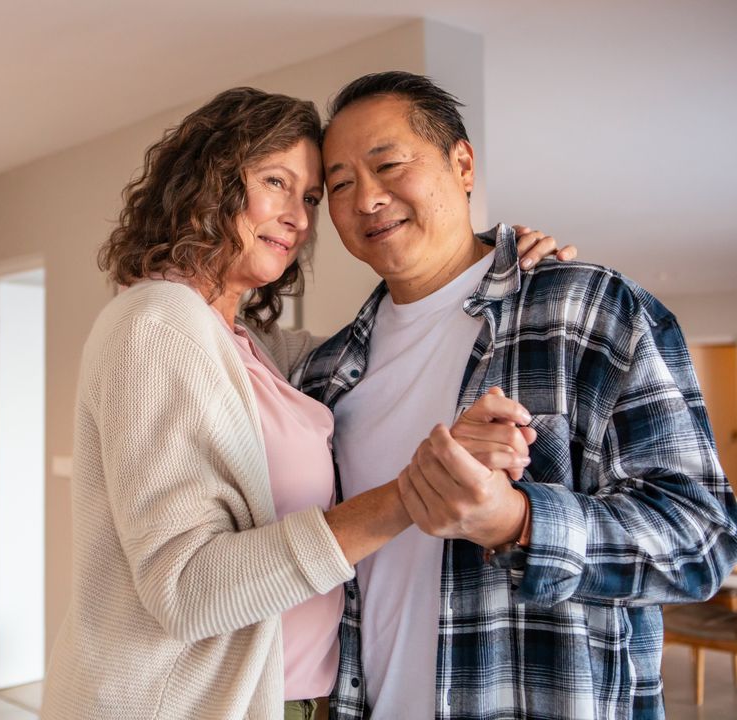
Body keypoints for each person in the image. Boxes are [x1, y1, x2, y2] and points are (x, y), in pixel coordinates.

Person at [40, 87, 571, 720]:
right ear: (205, 183)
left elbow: (399, 343)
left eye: (312, 196)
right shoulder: (158, 322)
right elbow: (185, 591)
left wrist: (495, 261)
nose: (299, 216)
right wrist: (415, 492)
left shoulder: (254, 346)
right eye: (274, 181)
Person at [295, 71, 737, 720]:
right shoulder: (325, 375)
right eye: (338, 184)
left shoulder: (589, 310)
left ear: (463, 163)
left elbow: (703, 540)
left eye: (388, 164)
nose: (365, 199)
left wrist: (520, 522)